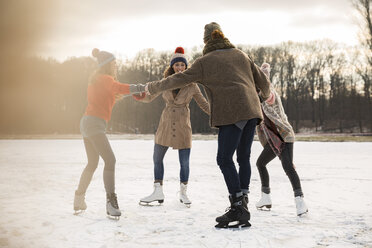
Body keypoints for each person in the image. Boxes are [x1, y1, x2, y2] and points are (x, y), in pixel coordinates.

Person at [139, 22, 271, 228]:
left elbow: (177, 80)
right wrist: (260, 98)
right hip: (252, 111)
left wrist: (151, 87)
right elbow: (264, 83)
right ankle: (243, 202)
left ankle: (238, 205)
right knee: (243, 157)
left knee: (224, 158)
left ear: (206, 40)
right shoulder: (241, 55)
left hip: (231, 112)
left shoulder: (205, 61)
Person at [133, 47, 210, 207]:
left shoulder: (192, 85)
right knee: (157, 158)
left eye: (182, 65)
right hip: (166, 124)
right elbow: (150, 97)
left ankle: (183, 193)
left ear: (186, 67)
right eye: (177, 65)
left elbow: (203, 104)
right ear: (172, 66)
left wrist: (220, 115)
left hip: (183, 125)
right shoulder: (165, 83)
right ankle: (157, 191)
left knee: (185, 163)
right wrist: (140, 96)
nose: (180, 68)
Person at [74, 48, 144, 218]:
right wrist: (139, 87)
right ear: (107, 65)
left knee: (92, 163)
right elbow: (117, 87)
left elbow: (115, 90)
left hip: (88, 122)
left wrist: (134, 92)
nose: (116, 66)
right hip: (94, 123)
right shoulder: (104, 78)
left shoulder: (99, 80)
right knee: (110, 160)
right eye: (114, 63)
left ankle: (78, 198)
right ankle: (111, 203)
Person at [255, 63, 308, 216]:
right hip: (273, 139)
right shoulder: (256, 97)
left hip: (285, 135)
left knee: (288, 167)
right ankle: (265, 197)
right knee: (261, 163)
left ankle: (300, 202)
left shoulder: (269, 93)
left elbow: (269, 97)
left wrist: (264, 78)